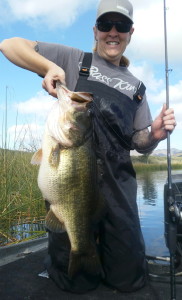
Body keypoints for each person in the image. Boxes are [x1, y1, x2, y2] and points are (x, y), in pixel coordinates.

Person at [0, 0, 176, 294]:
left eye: (120, 26)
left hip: (119, 191)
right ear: (95, 30)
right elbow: (9, 45)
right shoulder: (73, 60)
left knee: (129, 279)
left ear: (130, 32)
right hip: (73, 188)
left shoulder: (137, 88)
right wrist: (49, 66)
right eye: (106, 25)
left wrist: (155, 135)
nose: (113, 32)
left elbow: (138, 143)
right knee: (74, 284)